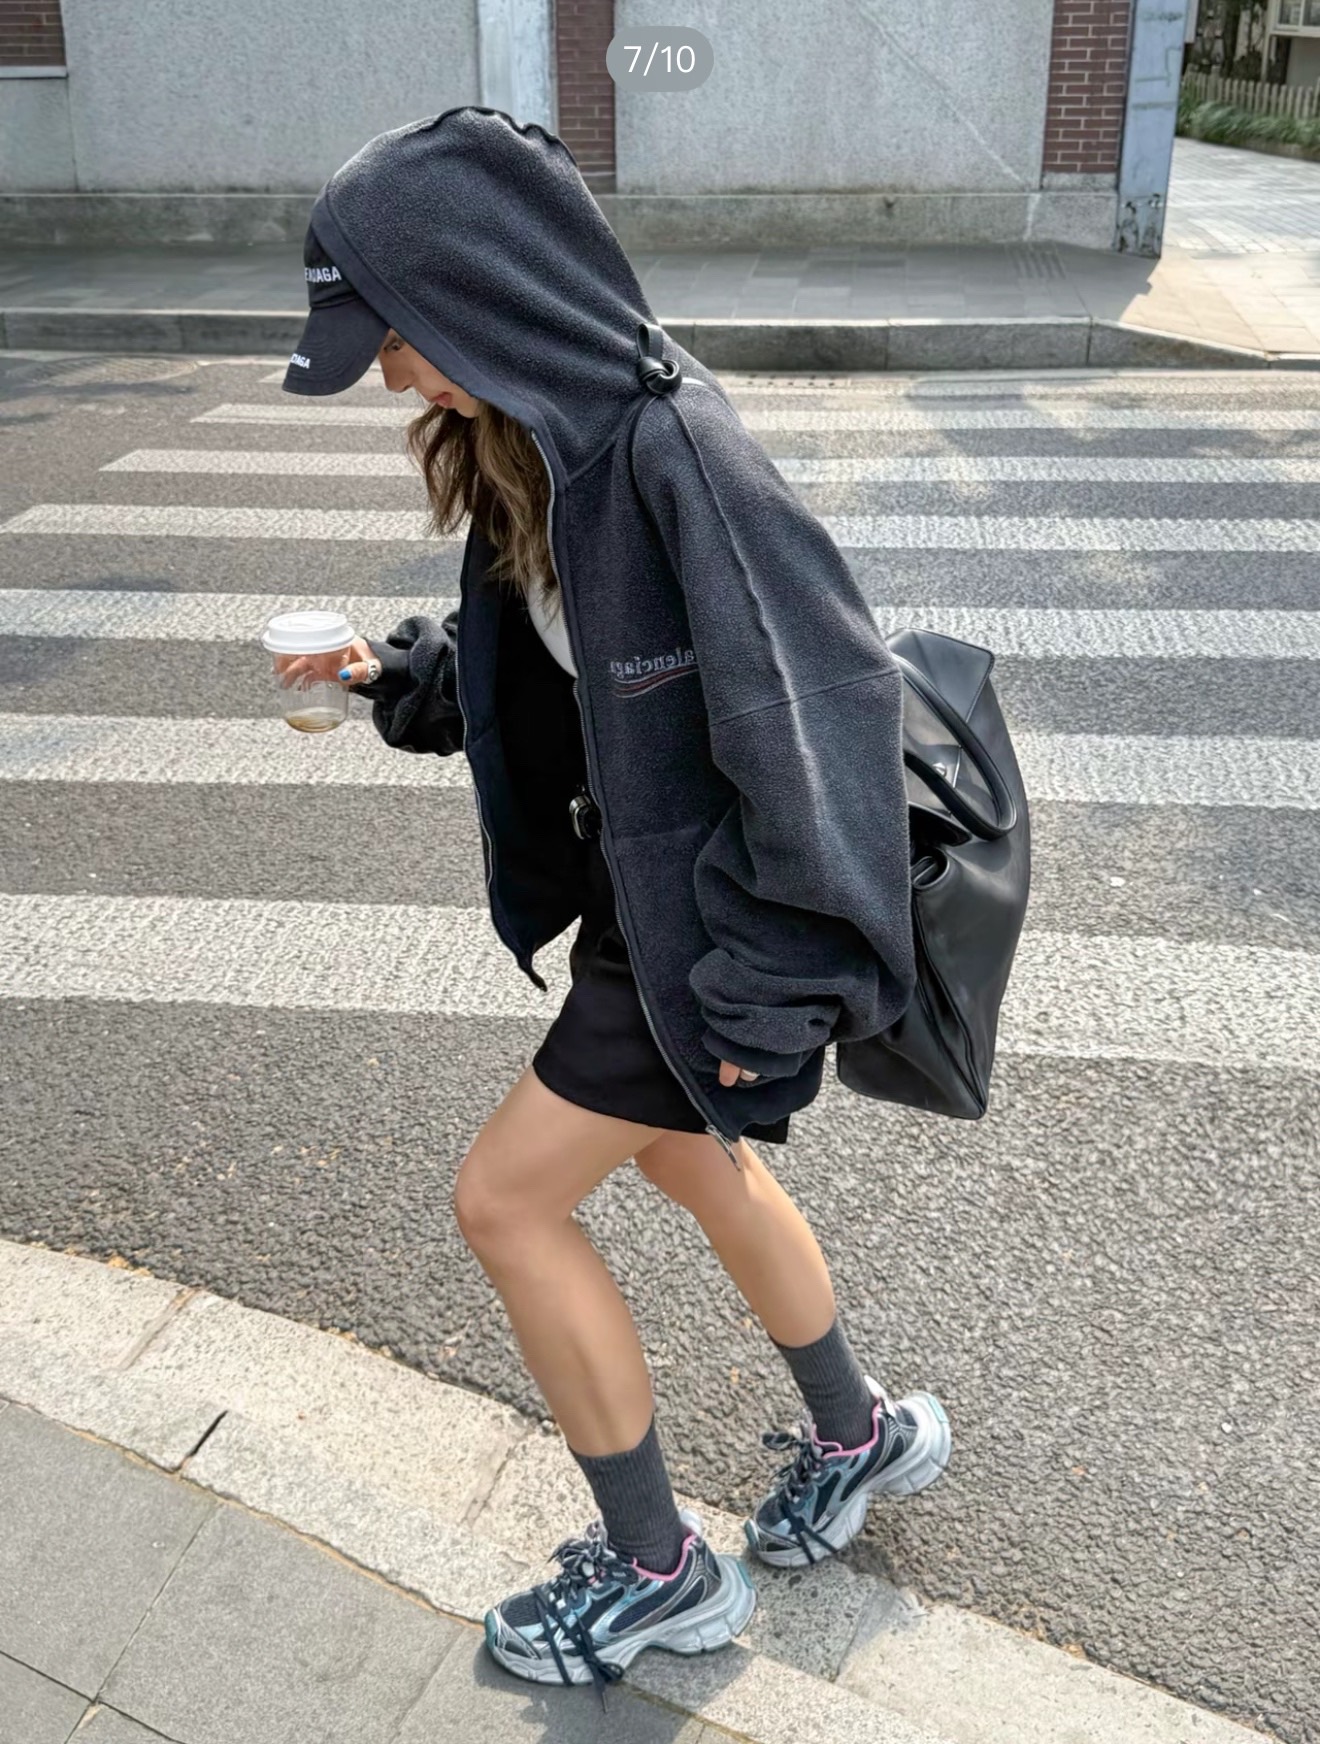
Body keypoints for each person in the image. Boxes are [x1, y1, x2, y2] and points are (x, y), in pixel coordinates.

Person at [275, 105, 951, 1696]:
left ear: (474, 298)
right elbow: (561, 680)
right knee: (691, 1163)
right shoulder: (543, 446)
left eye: (394, 336)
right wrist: (390, 675)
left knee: (504, 1203)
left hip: (707, 934)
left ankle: (660, 1575)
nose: (391, 376)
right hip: (649, 912)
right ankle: (857, 1437)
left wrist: (771, 989)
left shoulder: (672, 451)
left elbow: (825, 717)